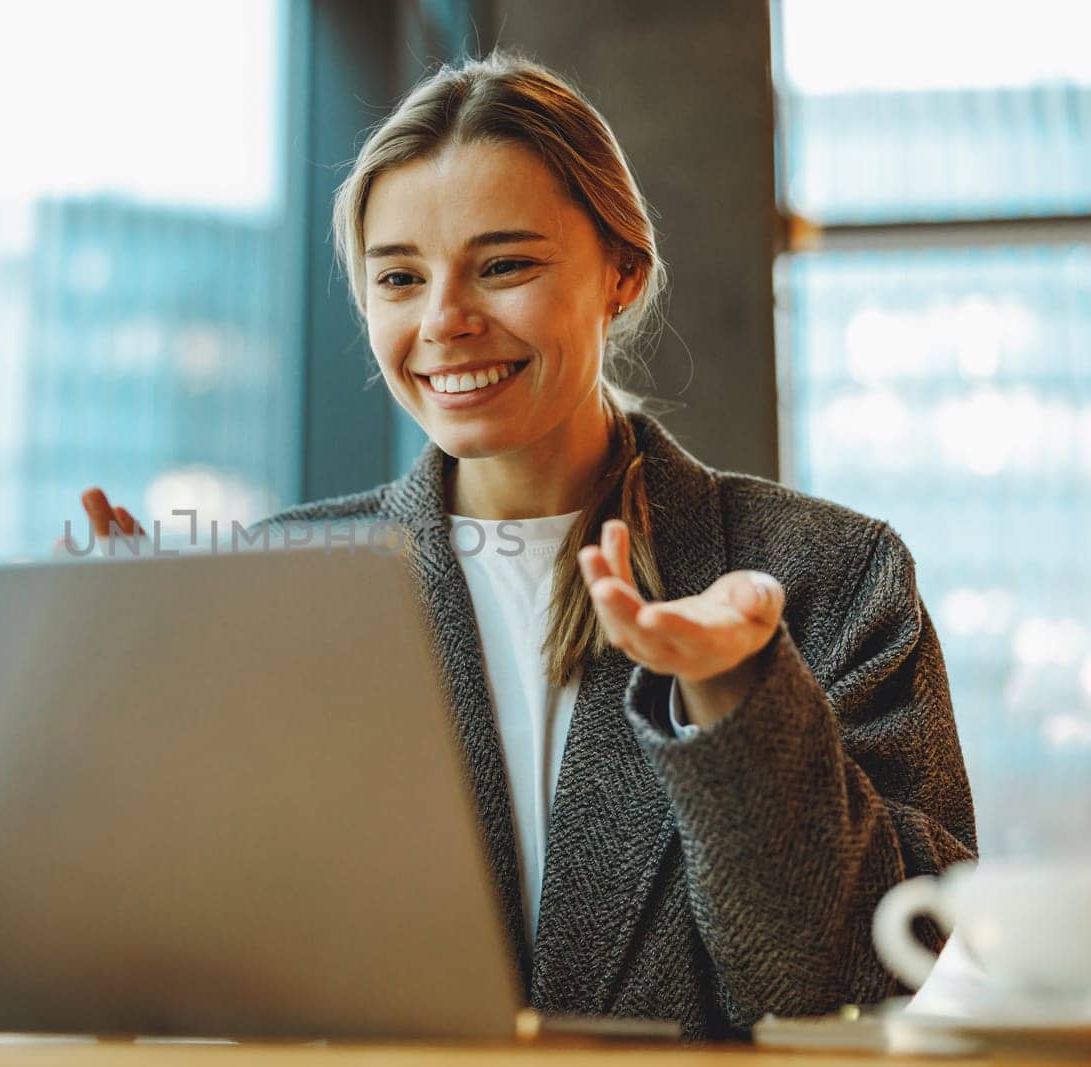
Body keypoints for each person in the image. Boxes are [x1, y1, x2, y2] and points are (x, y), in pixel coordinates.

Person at [78, 51, 975, 1039]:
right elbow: (199, 964)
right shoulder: (277, 586)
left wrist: (736, 697)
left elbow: (850, 972)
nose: (444, 320)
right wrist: (132, 710)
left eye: (502, 265)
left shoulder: (835, 576)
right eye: (399, 278)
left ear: (621, 275)